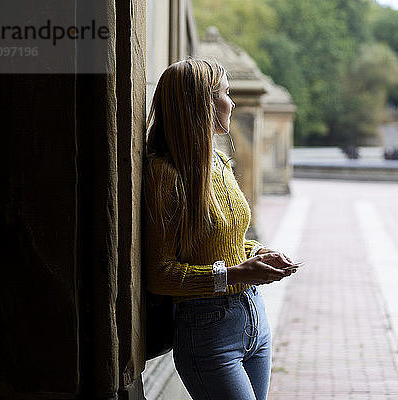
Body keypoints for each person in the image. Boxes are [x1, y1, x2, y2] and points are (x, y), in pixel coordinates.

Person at [143, 58, 298, 400]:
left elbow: (227, 242)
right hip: (208, 331)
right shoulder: (165, 175)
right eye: (225, 93)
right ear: (201, 104)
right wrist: (234, 274)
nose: (232, 102)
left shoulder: (219, 161)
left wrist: (259, 253)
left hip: (254, 319)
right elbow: (159, 273)